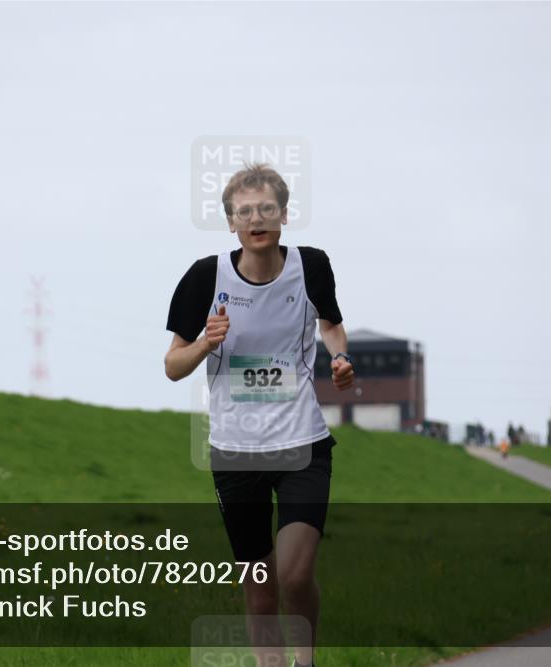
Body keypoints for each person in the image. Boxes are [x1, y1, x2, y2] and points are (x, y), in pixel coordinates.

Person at [165, 163, 353, 667]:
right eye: (245, 211)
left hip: (302, 445)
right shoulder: (206, 277)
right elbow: (172, 366)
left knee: (294, 574)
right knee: (260, 586)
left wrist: (340, 357)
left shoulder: (311, 266)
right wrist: (206, 342)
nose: (256, 219)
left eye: (266, 208)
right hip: (235, 453)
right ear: (231, 223)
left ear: (284, 215)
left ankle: (305, 660)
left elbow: (331, 324)